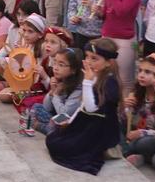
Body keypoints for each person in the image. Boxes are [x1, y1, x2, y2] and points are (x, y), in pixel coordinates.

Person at [46, 38, 122, 175]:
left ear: (108, 63)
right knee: (53, 140)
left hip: (99, 128)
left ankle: (106, 149)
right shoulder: (94, 75)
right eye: (87, 57)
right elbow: (82, 107)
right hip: (86, 122)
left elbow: (91, 107)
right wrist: (70, 122)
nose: (89, 62)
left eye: (95, 58)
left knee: (63, 148)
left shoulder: (109, 82)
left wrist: (87, 82)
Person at [30, 47, 84, 135]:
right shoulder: (62, 80)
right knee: (37, 107)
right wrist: (51, 92)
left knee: (56, 123)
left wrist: (56, 95)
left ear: (74, 70)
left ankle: (46, 128)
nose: (55, 68)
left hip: (70, 122)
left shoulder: (78, 89)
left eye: (61, 65)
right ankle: (48, 128)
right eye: (55, 63)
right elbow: (47, 107)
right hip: (57, 117)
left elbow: (64, 114)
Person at [122, 56, 155, 166]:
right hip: (133, 134)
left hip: (153, 137)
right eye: (140, 71)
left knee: (144, 143)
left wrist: (142, 133)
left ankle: (127, 151)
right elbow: (126, 121)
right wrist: (126, 107)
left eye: (147, 72)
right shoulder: (138, 93)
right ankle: (129, 151)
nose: (141, 75)